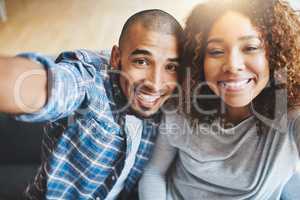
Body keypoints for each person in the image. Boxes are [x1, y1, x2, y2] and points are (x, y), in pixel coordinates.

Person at [0, 9, 183, 199]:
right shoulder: (89, 81)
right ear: (116, 58)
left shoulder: (173, 100)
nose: (155, 83)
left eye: (171, 67)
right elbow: (50, 85)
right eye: (142, 61)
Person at [139, 0, 300, 199]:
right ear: (199, 60)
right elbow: (154, 172)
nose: (232, 65)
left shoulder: (291, 113)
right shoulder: (183, 105)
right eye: (216, 51)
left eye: (250, 47)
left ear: (275, 54)